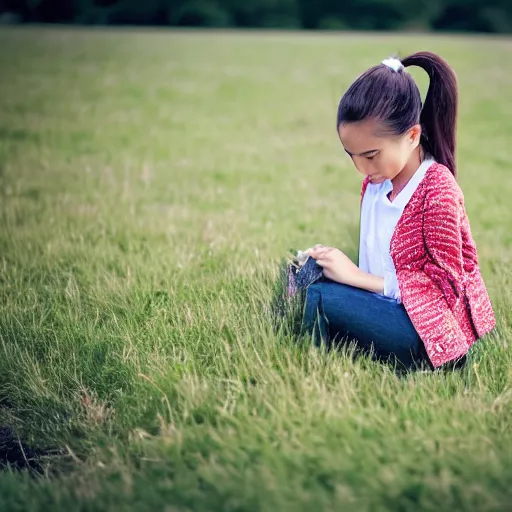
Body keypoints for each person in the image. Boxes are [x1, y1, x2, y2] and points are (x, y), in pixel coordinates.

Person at [300, 52, 495, 370]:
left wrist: (358, 278)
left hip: (430, 331)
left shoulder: (437, 189)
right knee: (306, 276)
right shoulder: (376, 183)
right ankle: (340, 346)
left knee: (319, 299)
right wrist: (332, 266)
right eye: (352, 155)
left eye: (371, 155)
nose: (361, 168)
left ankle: (315, 369)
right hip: (388, 309)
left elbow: (447, 287)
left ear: (412, 135)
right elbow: (373, 259)